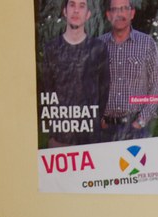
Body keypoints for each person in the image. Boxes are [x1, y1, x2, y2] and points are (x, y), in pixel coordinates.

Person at [39, 0, 109, 147]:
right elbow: (46, 92)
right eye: (72, 5)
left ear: (88, 14)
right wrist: (53, 134)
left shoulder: (98, 48)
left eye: (82, 6)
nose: (76, 10)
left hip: (91, 137)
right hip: (60, 136)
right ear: (65, 11)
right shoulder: (51, 49)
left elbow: (104, 90)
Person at [99, 0, 158, 142]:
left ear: (132, 13)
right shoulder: (98, 45)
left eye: (124, 9)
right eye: (115, 10)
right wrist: (98, 117)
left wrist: (141, 121)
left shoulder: (147, 44)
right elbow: (89, 86)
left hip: (136, 129)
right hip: (104, 130)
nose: (120, 14)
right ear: (108, 15)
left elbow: (157, 85)